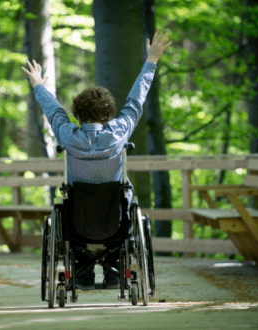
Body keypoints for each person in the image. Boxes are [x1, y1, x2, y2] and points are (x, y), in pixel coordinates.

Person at [22, 30, 172, 290]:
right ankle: (115, 275)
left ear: (78, 116)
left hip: (78, 221)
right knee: (122, 205)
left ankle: (83, 276)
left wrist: (39, 86)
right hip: (115, 219)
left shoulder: (68, 135)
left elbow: (54, 111)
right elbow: (137, 100)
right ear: (109, 115)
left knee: (70, 208)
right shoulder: (119, 131)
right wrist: (152, 61)